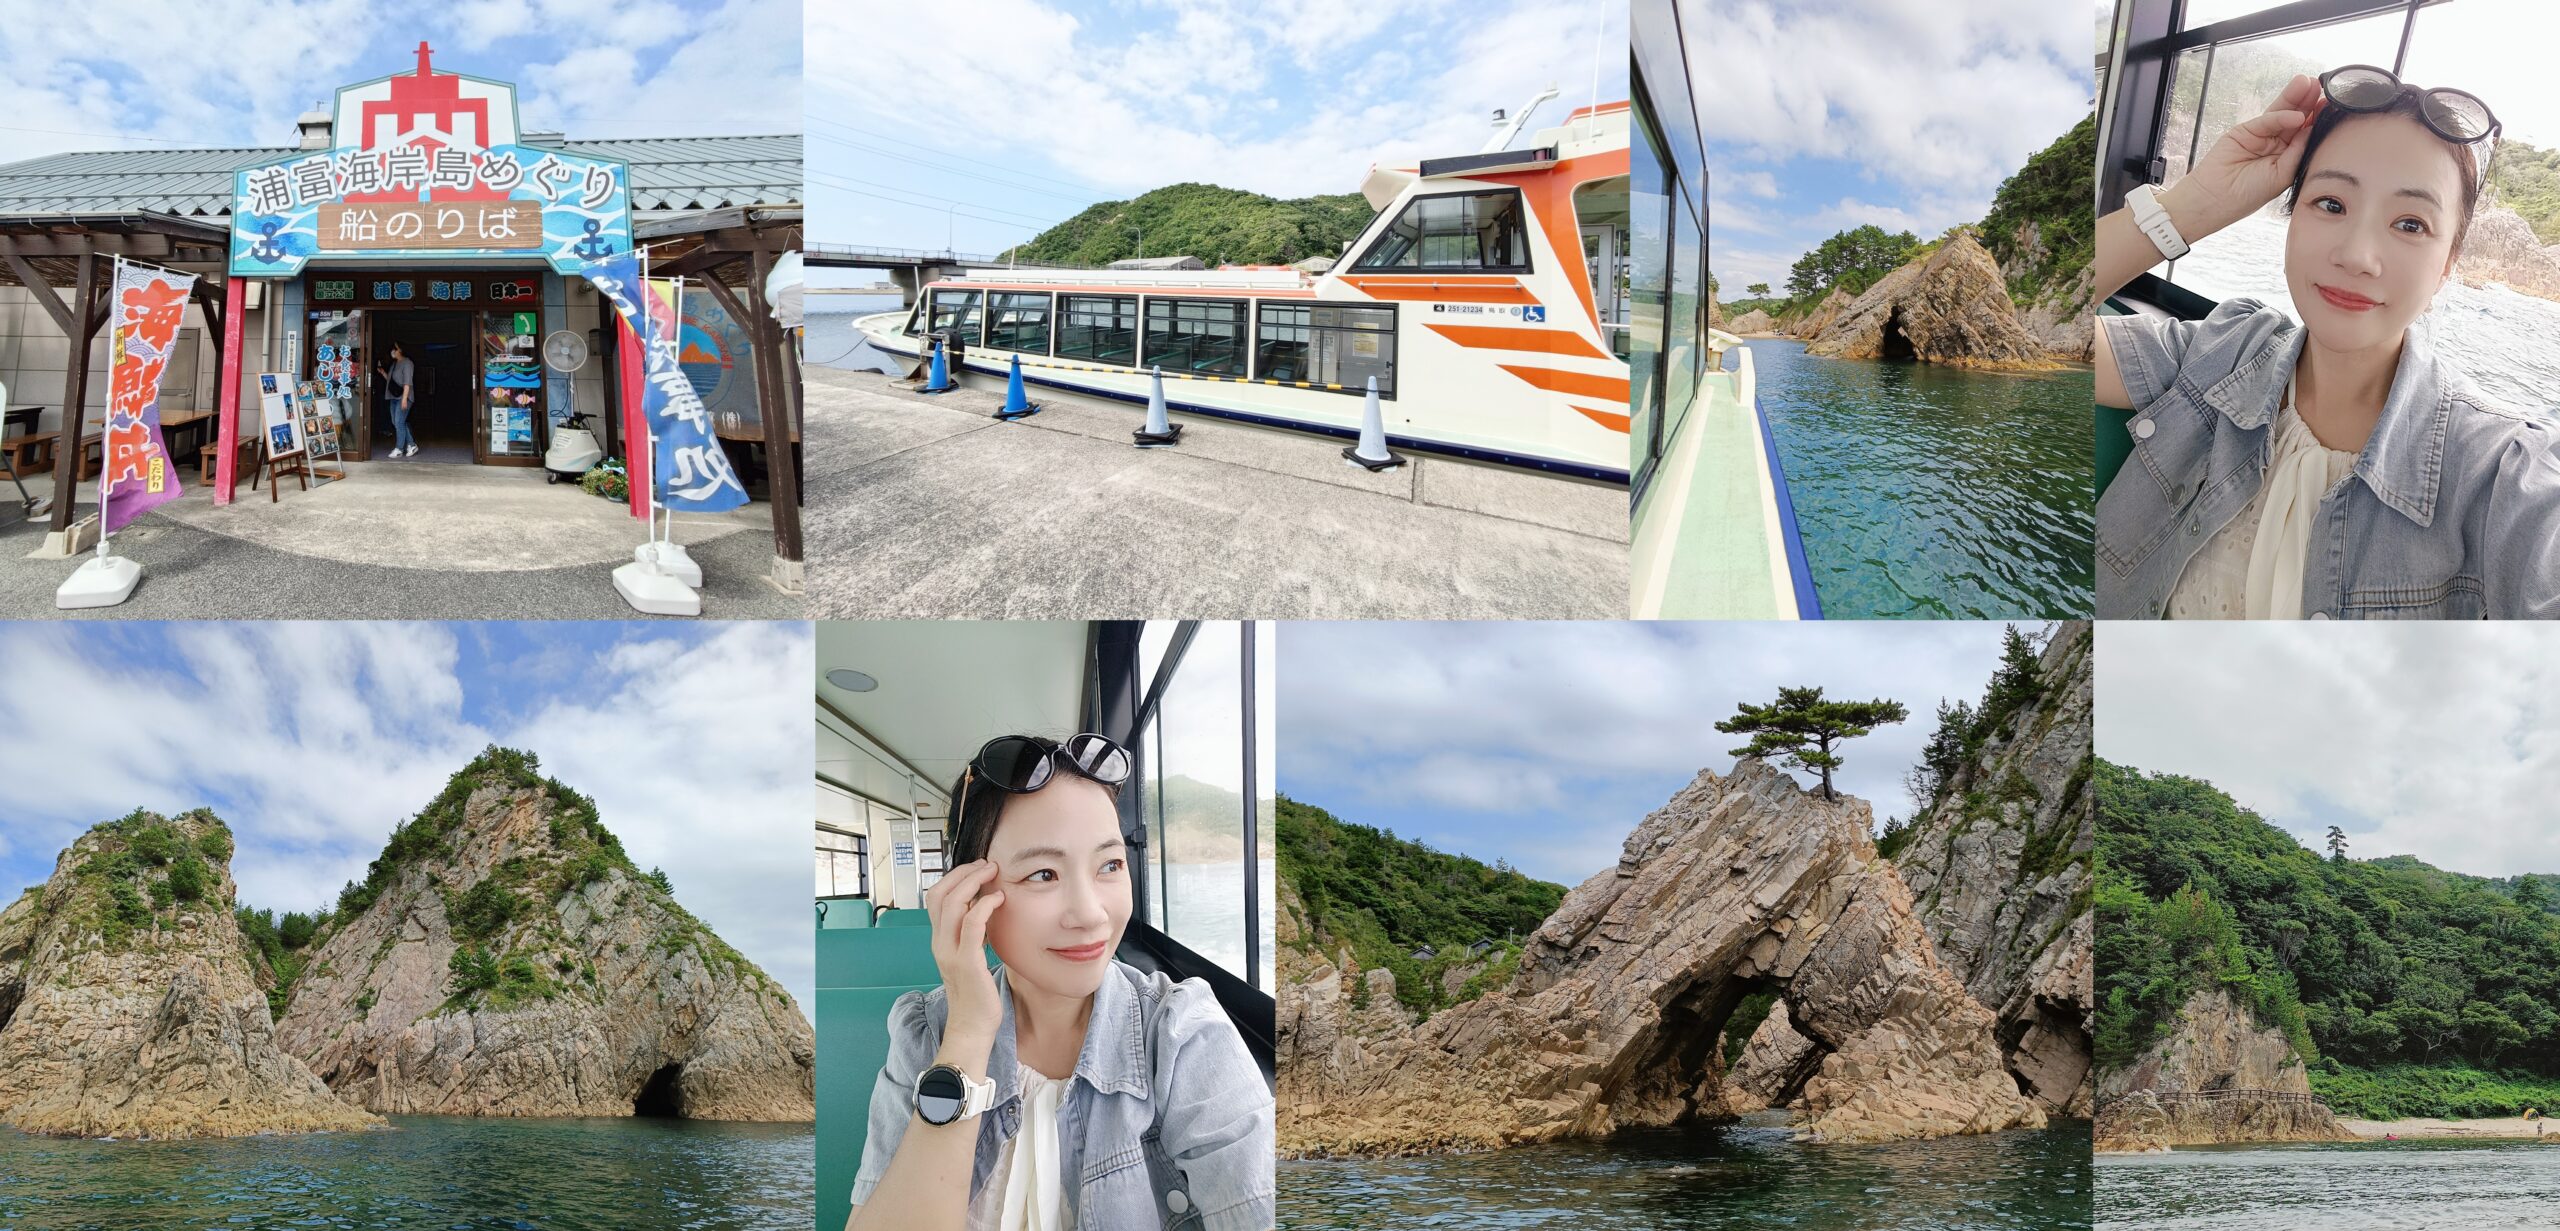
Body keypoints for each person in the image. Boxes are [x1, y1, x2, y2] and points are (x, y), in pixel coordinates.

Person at [2093, 67, 2560, 618]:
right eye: (2332, 204)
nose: (2357, 256)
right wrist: (2194, 205)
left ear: (2447, 266)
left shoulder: (2500, 475)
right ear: (2290, 220)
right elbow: (2014, 327)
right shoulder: (2218, 354)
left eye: (2410, 224)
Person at [847, 733, 1272, 1231]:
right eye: (1044, 874)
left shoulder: (1181, 1035)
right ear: (968, 892)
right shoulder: (927, 1035)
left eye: (1110, 865)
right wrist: (967, 1033)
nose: (1091, 916)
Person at [376, 343, 417, 458]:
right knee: (397, 422)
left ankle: (399, 448)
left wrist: (404, 399)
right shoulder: (394, 364)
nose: (392, 351)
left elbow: (407, 382)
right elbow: (390, 381)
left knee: (399, 422)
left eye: (395, 349)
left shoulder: (407, 363)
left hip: (404, 397)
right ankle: (412, 445)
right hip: (394, 397)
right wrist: (383, 373)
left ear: (401, 350)